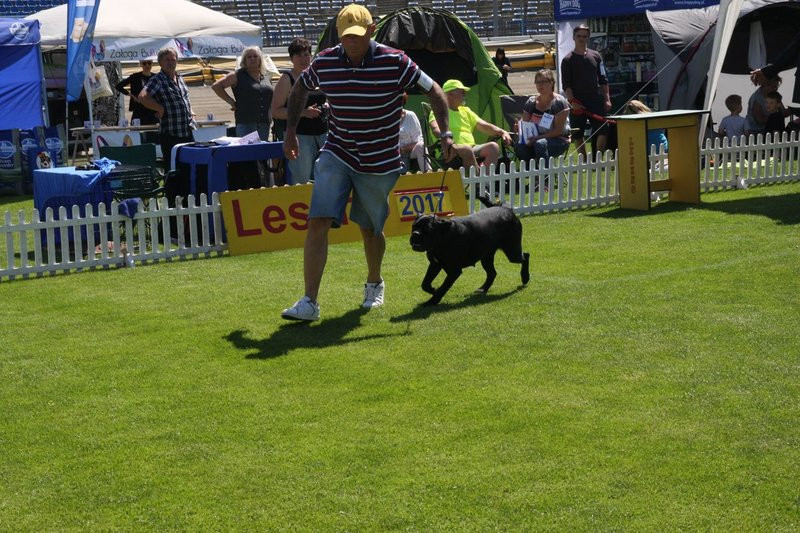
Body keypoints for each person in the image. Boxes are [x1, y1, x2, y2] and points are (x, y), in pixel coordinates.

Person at [280, 3, 452, 322]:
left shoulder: (396, 61)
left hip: (380, 159)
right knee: (318, 220)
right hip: (338, 150)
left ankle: (374, 283)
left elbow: (435, 90)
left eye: (358, 35)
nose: (352, 42)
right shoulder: (326, 61)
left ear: (371, 31)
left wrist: (446, 132)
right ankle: (309, 302)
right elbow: (301, 87)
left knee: (369, 228)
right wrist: (290, 131)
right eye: (346, 36)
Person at [270, 38, 327, 184]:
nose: (303, 59)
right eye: (298, 55)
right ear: (291, 58)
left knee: (326, 176)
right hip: (299, 136)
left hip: (323, 134)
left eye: (306, 54)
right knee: (301, 179)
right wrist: (303, 112)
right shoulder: (286, 79)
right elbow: (276, 111)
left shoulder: (318, 76)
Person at [428, 79, 512, 173]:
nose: (464, 95)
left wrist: (503, 132)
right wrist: (448, 139)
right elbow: (435, 129)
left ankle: (485, 182)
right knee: (467, 150)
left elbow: (485, 126)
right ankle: (478, 183)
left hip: (471, 148)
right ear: (449, 95)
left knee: (493, 147)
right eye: (462, 92)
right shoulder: (438, 111)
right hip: (449, 149)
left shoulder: (466, 110)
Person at [560, 24, 611, 159]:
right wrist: (572, 101)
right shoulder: (567, 60)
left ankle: (597, 159)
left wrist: (607, 99)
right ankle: (584, 161)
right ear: (573, 37)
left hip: (595, 99)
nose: (582, 39)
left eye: (585, 36)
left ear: (588, 38)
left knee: (603, 130)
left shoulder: (596, 56)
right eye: (579, 36)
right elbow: (566, 85)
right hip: (577, 102)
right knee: (578, 134)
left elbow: (603, 79)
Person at [139, 47, 195, 168]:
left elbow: (185, 98)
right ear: (160, 62)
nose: (171, 62)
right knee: (173, 168)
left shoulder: (180, 78)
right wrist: (160, 108)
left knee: (190, 167)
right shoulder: (158, 79)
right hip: (171, 134)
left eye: (173, 59)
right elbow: (143, 97)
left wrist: (190, 111)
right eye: (167, 60)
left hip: (187, 131)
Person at [211, 46, 274, 141]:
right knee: (248, 153)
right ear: (244, 60)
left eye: (255, 56)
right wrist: (231, 101)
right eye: (249, 57)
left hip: (264, 124)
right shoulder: (237, 75)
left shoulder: (266, 77)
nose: (252, 59)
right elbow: (216, 86)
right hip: (246, 124)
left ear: (260, 59)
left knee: (261, 153)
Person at [515, 68, 571, 166]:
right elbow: (524, 123)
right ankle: (533, 174)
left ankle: (545, 178)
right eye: (538, 82)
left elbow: (558, 131)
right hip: (535, 139)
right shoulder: (531, 102)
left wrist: (537, 138)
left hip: (559, 140)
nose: (540, 84)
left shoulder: (559, 102)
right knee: (520, 145)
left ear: (552, 83)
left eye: (544, 81)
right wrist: (519, 127)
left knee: (540, 144)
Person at [750, 32, 800, 106]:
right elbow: (792, 52)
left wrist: (767, 71)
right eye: (774, 86)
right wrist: (767, 71)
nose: (775, 89)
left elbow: (792, 52)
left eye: (776, 86)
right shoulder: (759, 99)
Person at [115, 59, 159, 125]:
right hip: (138, 109)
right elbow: (119, 86)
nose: (147, 65)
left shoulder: (156, 77)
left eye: (149, 63)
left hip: (152, 110)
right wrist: (132, 96)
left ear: (152, 64)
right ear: (141, 64)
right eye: (144, 63)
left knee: (153, 132)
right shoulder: (135, 76)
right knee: (136, 132)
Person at [398, 92, 428, 173]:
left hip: (409, 152)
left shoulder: (410, 115)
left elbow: (419, 141)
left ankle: (428, 173)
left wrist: (403, 149)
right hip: (391, 156)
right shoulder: (385, 118)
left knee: (421, 146)